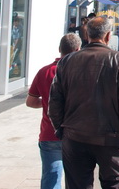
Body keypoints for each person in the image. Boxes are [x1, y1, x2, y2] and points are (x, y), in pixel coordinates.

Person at [49, 16, 119, 189]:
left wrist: (62, 130)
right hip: (109, 140)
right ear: (107, 36)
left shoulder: (67, 61)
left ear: (87, 35)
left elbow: (54, 103)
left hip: (75, 137)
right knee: (113, 184)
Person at [26, 33, 81, 189]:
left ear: (59, 49)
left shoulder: (44, 71)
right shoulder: (81, 73)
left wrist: (47, 103)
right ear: (78, 49)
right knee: (77, 179)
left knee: (51, 179)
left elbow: (30, 102)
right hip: (76, 134)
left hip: (49, 133)